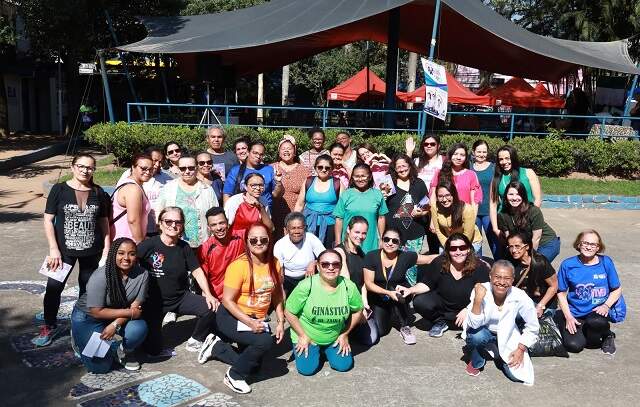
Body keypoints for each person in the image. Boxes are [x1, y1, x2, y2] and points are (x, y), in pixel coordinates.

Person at [138, 207, 235, 363]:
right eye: (168, 221)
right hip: (154, 302)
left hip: (180, 297)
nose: (173, 225)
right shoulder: (149, 245)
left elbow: (197, 271)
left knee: (212, 306)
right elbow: (128, 264)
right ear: (160, 224)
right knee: (153, 351)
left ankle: (196, 339)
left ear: (182, 225)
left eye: (178, 222)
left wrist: (208, 294)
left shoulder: (184, 247)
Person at [34, 154, 111, 347]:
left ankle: (81, 327)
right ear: (72, 167)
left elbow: (104, 223)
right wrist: (53, 249)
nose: (85, 170)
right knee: (53, 288)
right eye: (81, 166)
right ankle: (49, 325)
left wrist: (106, 248)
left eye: (90, 167)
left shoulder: (99, 192)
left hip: (91, 251)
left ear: (94, 170)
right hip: (62, 251)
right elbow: (48, 220)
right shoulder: (59, 189)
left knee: (87, 291)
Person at [218, 222, 285, 394]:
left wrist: (280, 321)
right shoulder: (238, 266)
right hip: (232, 316)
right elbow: (227, 300)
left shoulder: (275, 263)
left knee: (254, 367)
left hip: (255, 318)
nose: (258, 243)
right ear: (246, 241)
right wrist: (250, 323)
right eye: (253, 240)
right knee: (264, 341)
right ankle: (233, 375)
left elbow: (277, 294)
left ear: (269, 241)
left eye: (263, 239)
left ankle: (217, 347)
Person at [71, 237, 148, 372]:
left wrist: (115, 324)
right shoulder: (100, 275)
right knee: (100, 367)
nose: (126, 258)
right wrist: (129, 313)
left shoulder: (143, 274)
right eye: (121, 253)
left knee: (138, 329)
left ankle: (123, 351)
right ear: (113, 254)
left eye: (131, 253)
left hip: (116, 315)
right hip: (89, 317)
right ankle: (78, 339)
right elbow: (96, 311)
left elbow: (135, 307)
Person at [285, 249, 363, 376]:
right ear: (318, 266)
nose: (330, 268)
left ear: (341, 266)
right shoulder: (306, 286)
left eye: (335, 264)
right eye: (325, 264)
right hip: (308, 336)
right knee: (307, 370)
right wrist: (302, 335)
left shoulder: (349, 286)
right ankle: (315, 350)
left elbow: (358, 310)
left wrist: (345, 334)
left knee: (344, 366)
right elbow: (289, 312)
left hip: (334, 337)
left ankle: (324, 350)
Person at [464, 260, 540, 385]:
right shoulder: (481, 289)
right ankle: (477, 360)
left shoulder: (520, 296)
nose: (502, 282)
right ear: (490, 276)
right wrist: (478, 299)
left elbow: (533, 325)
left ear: (512, 280)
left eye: (507, 278)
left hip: (508, 335)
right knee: (476, 336)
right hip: (484, 331)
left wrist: (520, 349)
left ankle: (498, 353)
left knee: (517, 376)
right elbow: (474, 324)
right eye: (497, 277)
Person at [363, 227, 435, 345]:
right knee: (381, 331)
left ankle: (404, 325)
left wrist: (452, 255)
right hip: (379, 296)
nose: (390, 243)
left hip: (400, 294)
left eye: (394, 241)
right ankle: (389, 312)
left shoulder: (405, 256)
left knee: (396, 290)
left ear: (400, 243)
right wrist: (388, 293)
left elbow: (428, 259)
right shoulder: (371, 256)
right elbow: (369, 284)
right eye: (387, 239)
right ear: (382, 240)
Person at [555, 230, 622, 355]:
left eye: (593, 244)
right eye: (585, 243)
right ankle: (576, 327)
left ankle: (607, 335)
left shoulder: (606, 262)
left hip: (597, 313)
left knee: (594, 329)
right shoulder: (568, 264)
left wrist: (606, 305)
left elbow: (616, 289)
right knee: (574, 346)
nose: (588, 247)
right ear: (579, 244)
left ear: (598, 247)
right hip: (576, 314)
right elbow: (561, 293)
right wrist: (568, 317)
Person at [410, 233, 490, 337]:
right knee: (419, 301)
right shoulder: (439, 263)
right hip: (444, 306)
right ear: (447, 251)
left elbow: (486, 294)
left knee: (478, 333)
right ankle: (441, 321)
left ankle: (468, 323)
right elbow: (426, 284)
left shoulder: (479, 267)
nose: (458, 252)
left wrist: (468, 309)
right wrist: (410, 290)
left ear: (468, 249)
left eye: (462, 248)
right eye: (453, 249)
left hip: (467, 309)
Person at [156, 156, 218, 249]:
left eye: (191, 168)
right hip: (174, 244)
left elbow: (215, 216)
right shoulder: (168, 188)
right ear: (179, 169)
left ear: (196, 168)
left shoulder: (207, 189)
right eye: (183, 168)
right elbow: (158, 212)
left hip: (202, 245)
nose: (187, 171)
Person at [385, 154, 429, 285]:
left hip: (415, 233)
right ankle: (392, 289)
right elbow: (380, 206)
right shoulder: (388, 183)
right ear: (394, 169)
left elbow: (427, 206)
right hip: (393, 233)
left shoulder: (419, 183)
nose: (402, 169)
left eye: (404, 166)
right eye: (398, 167)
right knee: (393, 263)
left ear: (410, 166)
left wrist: (421, 213)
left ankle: (410, 292)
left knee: (412, 264)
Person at [333, 217, 378, 346]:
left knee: (372, 338)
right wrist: (359, 309)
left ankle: (353, 328)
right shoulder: (340, 251)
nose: (361, 236)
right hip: (343, 302)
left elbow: (362, 283)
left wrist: (365, 303)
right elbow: (347, 284)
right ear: (348, 230)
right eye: (357, 232)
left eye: (364, 233)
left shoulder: (361, 253)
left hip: (357, 301)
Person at [489, 145, 542, 252]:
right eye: (501, 159)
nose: (504, 162)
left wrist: (527, 219)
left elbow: (537, 199)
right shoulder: (497, 179)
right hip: (506, 223)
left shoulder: (528, 173)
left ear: (513, 158)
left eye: (507, 158)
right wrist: (495, 228)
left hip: (526, 220)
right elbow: (493, 204)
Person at [497, 181, 560, 262]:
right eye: (511, 194)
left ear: (523, 196)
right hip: (524, 245)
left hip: (546, 243)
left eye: (518, 194)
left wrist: (529, 258)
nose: (514, 198)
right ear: (505, 196)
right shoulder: (503, 215)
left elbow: (536, 238)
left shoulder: (533, 211)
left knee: (536, 267)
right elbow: (509, 238)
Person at [333, 163, 388, 253]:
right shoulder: (346, 194)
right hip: (348, 242)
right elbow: (339, 219)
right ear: (352, 177)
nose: (360, 179)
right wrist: (338, 241)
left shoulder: (377, 194)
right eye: (357, 176)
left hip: (370, 242)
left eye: (363, 176)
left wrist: (381, 239)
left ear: (369, 177)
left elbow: (381, 217)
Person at [118, 147, 173, 236]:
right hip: (133, 231)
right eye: (154, 160)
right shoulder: (131, 175)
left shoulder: (167, 178)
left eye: (160, 162)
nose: (157, 165)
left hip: (157, 228)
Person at [405, 134, 444, 254]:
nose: (429, 146)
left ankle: (435, 266)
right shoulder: (417, 161)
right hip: (419, 205)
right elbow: (404, 170)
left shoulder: (443, 160)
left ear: (438, 146)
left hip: (437, 204)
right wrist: (409, 152)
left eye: (432, 144)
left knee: (435, 240)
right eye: (426, 144)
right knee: (416, 238)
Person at [198, 207, 246, 302]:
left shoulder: (240, 237)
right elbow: (202, 278)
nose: (219, 228)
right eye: (214, 225)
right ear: (209, 228)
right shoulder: (205, 248)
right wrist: (207, 298)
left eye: (221, 223)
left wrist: (260, 208)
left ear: (227, 222)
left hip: (242, 296)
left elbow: (268, 229)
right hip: (218, 298)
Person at [294, 154, 343, 248]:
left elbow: (342, 209)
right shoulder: (308, 181)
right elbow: (300, 204)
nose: (323, 170)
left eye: (327, 168)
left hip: (331, 225)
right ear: (315, 168)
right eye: (320, 167)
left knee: (328, 253)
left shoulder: (337, 183)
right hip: (309, 224)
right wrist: (294, 222)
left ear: (332, 169)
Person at [506, 232, 557, 316]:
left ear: (527, 247)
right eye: (511, 247)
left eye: (517, 246)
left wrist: (540, 306)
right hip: (524, 301)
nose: (514, 250)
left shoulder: (539, 262)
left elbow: (554, 286)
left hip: (542, 303)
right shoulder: (511, 262)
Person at [274, 212, 325, 296]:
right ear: (287, 230)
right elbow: (280, 270)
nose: (297, 231)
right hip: (288, 279)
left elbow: (325, 256)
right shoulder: (280, 244)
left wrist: (314, 263)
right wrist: (281, 289)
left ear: (305, 228)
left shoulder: (310, 237)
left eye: (300, 228)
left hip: (307, 277)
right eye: (293, 228)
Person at [271, 135, 311, 239]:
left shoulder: (304, 171)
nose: (286, 151)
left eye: (289, 148)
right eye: (283, 149)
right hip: (275, 215)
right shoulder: (271, 168)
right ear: (279, 152)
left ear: (295, 151)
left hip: (296, 216)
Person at [223, 141, 282, 208]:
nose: (258, 156)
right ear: (248, 152)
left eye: (261, 154)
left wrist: (278, 183)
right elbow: (227, 194)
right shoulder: (235, 171)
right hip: (241, 213)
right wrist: (226, 214)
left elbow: (276, 195)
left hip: (264, 213)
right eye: (255, 153)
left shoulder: (269, 170)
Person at [111, 153, 153, 243]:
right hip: (127, 244)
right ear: (133, 167)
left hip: (126, 242)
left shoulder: (134, 185)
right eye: (143, 168)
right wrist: (140, 243)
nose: (148, 172)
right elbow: (133, 220)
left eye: (151, 169)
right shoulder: (133, 189)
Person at [431, 181, 482, 253]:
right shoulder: (434, 207)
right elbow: (438, 230)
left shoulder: (466, 209)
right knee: (443, 261)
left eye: (447, 195)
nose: (444, 200)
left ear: (454, 194)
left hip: (470, 242)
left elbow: (468, 235)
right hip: (448, 240)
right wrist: (447, 246)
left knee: (460, 260)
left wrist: (456, 249)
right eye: (440, 196)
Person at [224, 172, 275, 237]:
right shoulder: (235, 201)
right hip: (237, 240)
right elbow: (226, 225)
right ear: (245, 186)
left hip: (256, 241)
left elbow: (270, 228)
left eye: (261, 185)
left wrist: (261, 207)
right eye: (253, 185)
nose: (258, 188)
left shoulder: (264, 201)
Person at [472, 140, 498, 257]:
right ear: (473, 152)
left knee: (495, 243)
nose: (481, 154)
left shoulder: (493, 168)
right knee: (475, 243)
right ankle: (478, 268)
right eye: (479, 151)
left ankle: (500, 265)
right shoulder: (468, 167)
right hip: (474, 211)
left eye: (484, 152)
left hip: (489, 211)